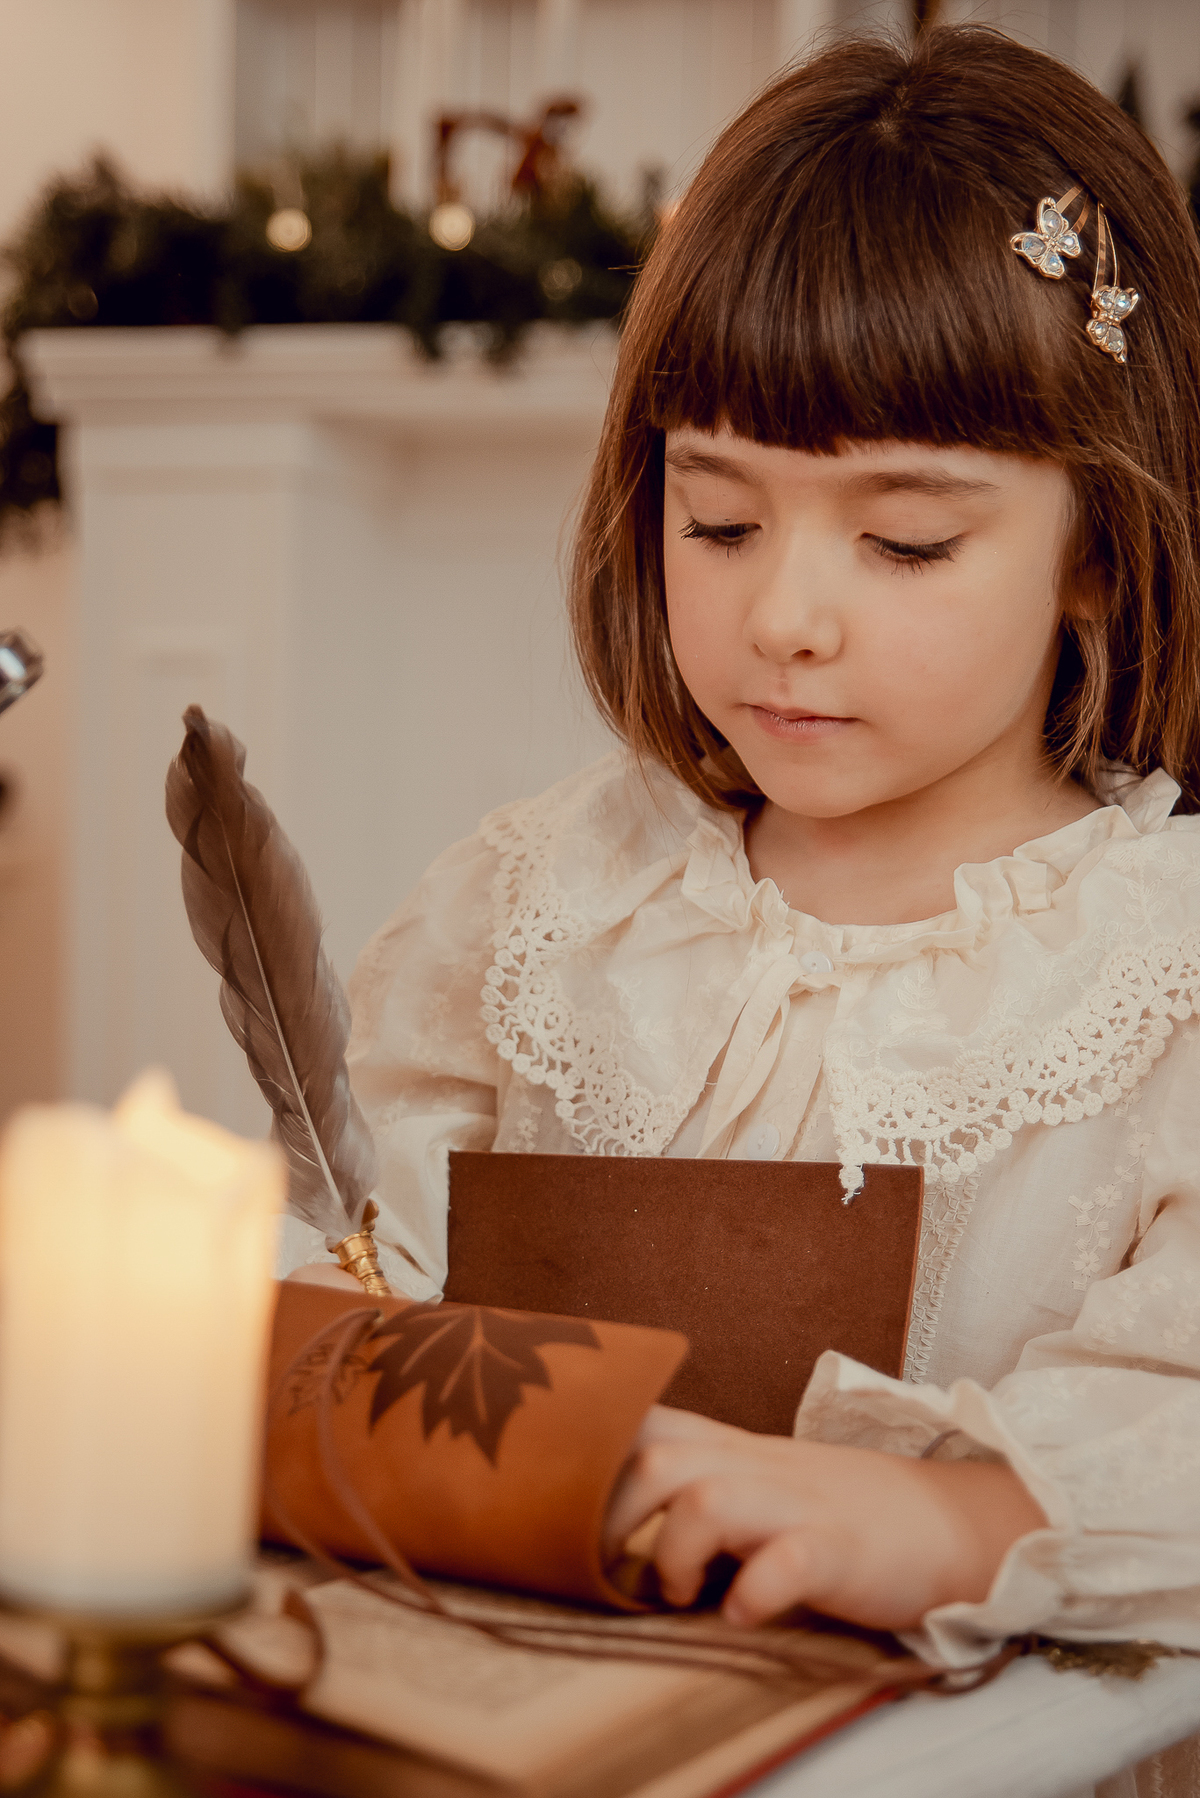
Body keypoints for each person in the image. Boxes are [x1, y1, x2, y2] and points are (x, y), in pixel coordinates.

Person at [285, 23, 1200, 1697]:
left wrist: (937, 1522)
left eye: (905, 539)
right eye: (717, 517)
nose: (783, 615)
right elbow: (347, 1247)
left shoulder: (1164, 980)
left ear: (1097, 550)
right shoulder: (542, 903)